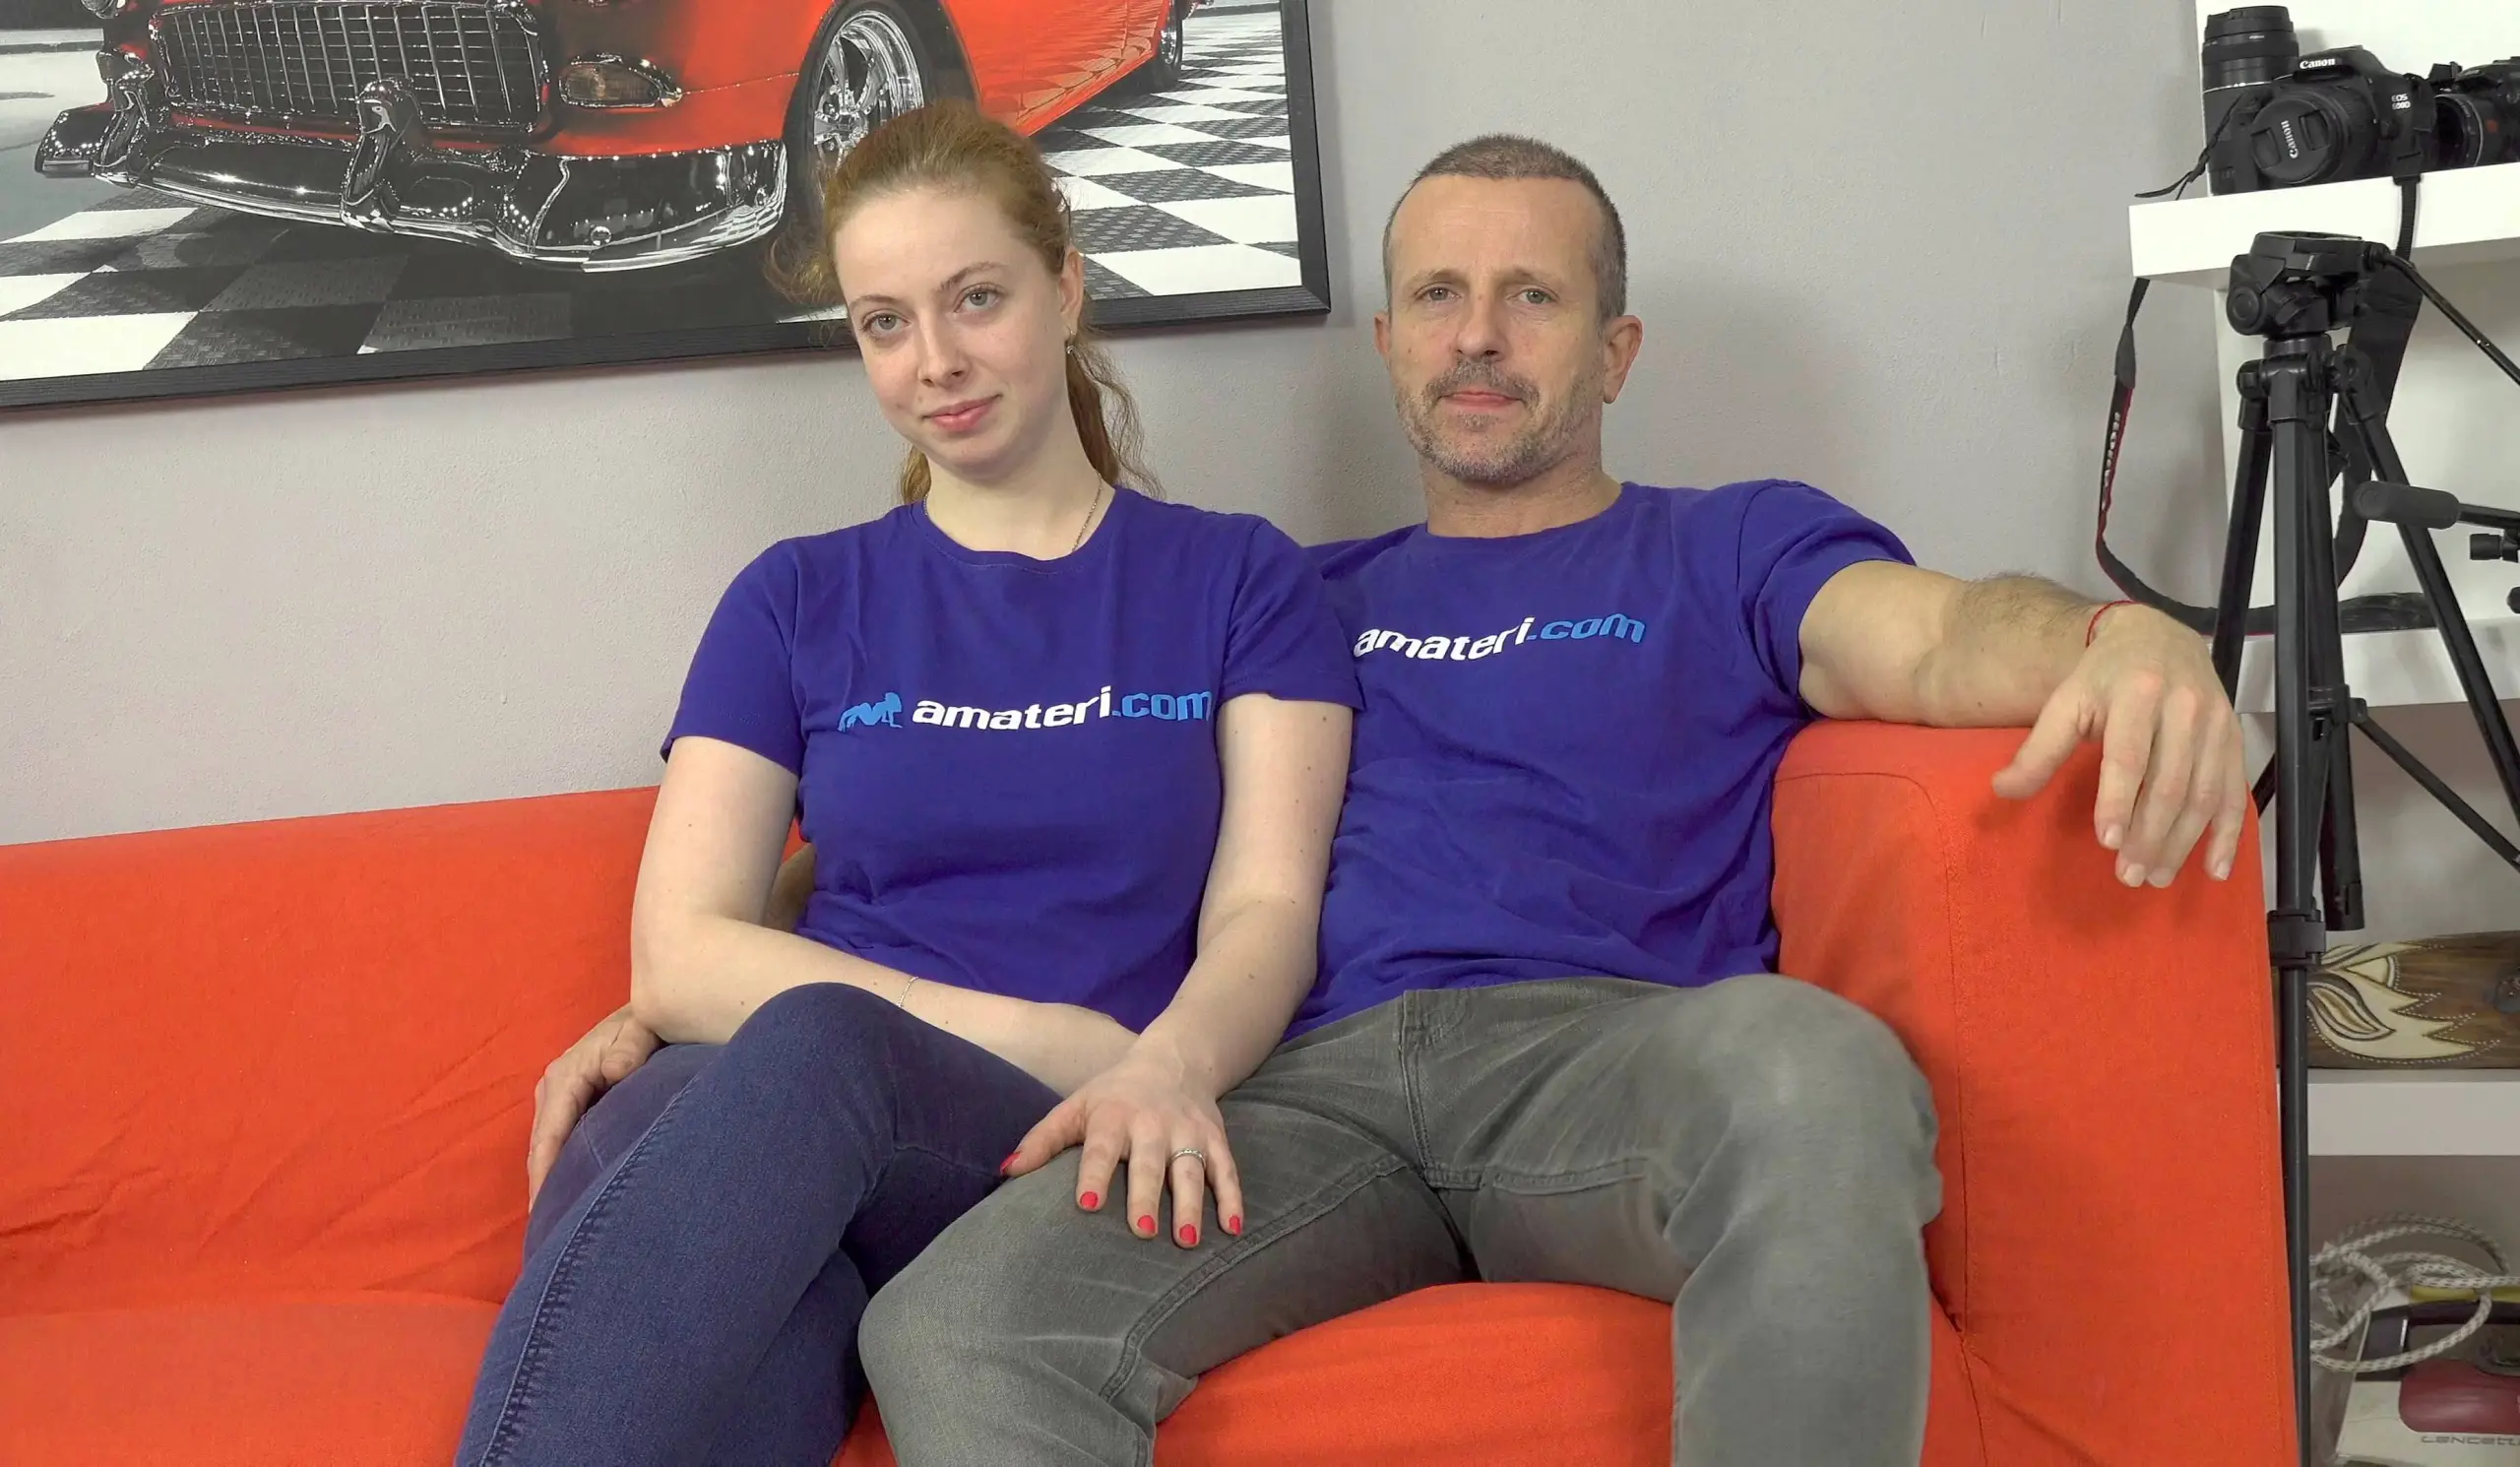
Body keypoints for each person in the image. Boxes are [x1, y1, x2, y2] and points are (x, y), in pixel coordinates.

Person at [534, 134, 2251, 1466]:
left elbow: (1937, 632)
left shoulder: (1726, 545)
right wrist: (682, 985)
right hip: (1304, 1103)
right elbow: (994, 810)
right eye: (1437, 295)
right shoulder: (1301, 596)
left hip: (1601, 1057)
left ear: (1617, 347)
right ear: (1387, 341)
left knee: (1815, 1065)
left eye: (1532, 297)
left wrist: (2118, 635)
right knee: (957, 1321)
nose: (1477, 335)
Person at [454, 101, 1361, 1467]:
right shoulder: (794, 597)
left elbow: (1269, 912)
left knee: (818, 1047)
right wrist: (1053, 1032)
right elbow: (677, 952)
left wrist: (1155, 1062)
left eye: (975, 298)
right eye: (885, 322)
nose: (934, 361)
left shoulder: (1240, 579)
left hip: (1050, 1128)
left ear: (1066, 289)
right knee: (684, 1175)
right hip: (795, 1120)